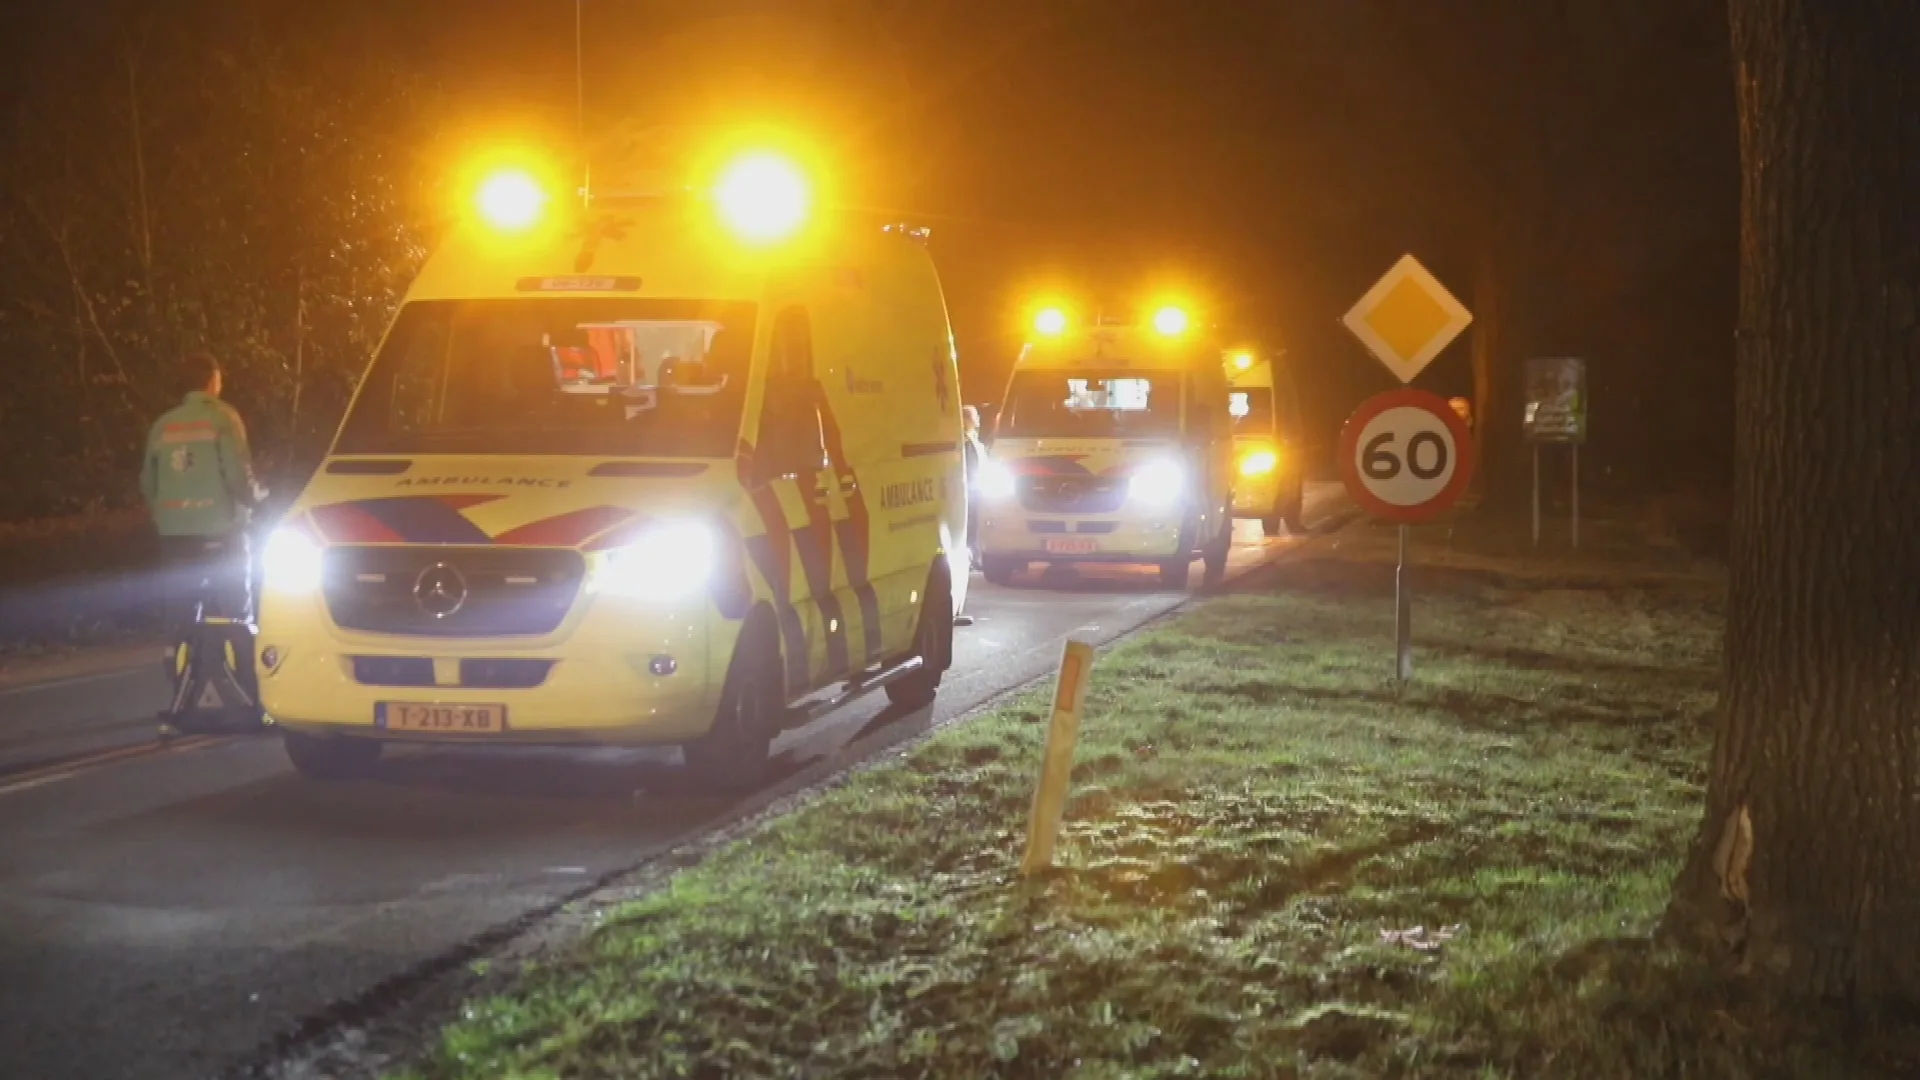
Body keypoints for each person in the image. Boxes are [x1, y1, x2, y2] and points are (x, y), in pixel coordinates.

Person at [140, 351, 267, 639]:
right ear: (213, 380)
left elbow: (148, 483)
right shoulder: (223, 417)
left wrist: (166, 517)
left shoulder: (162, 425)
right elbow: (237, 476)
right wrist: (259, 501)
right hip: (222, 531)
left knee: (180, 611)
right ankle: (239, 666)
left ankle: (180, 662)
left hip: (175, 534)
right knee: (234, 610)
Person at [961, 405, 988, 567]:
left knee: (975, 524)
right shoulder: (965, 441)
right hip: (969, 491)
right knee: (970, 525)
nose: (977, 419)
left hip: (977, 489)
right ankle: (971, 557)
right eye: (973, 416)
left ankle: (975, 556)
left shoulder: (974, 439)